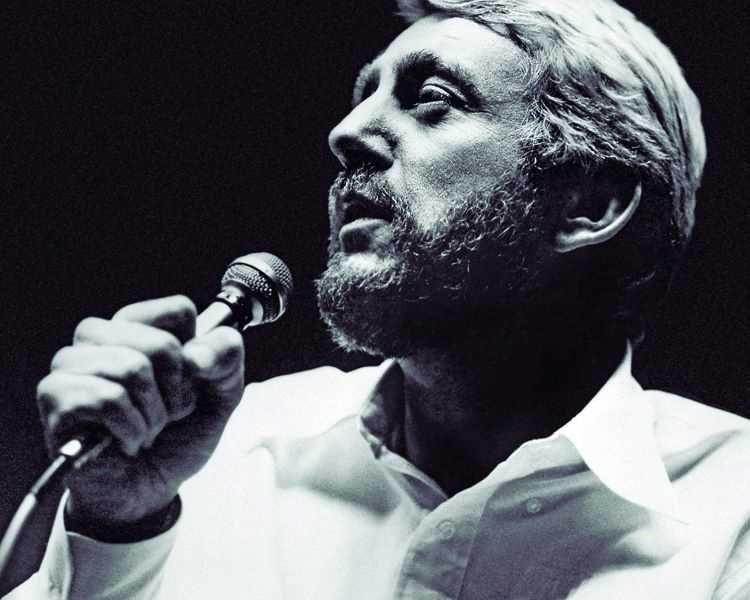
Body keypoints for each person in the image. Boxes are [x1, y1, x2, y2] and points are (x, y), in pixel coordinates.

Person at [6, 0, 750, 598]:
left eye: (432, 100)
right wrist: (118, 525)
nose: (347, 133)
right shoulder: (220, 454)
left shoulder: (734, 511)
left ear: (590, 203)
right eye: (364, 98)